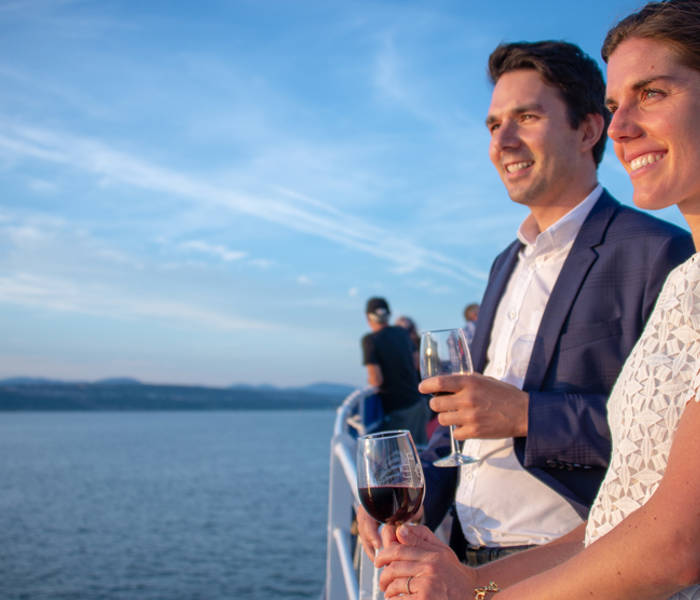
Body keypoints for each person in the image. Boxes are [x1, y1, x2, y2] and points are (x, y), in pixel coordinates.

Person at [374, 1, 700, 598]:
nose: (504, 139)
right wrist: (415, 513)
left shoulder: (661, 251)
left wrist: (525, 414)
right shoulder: (506, 262)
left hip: (590, 564)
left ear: (585, 129)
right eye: (494, 124)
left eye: (526, 116)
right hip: (480, 553)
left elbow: (660, 469)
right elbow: (460, 421)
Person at [361, 297, 428, 445]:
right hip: (418, 402)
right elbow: (417, 364)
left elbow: (376, 380)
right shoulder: (402, 332)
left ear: (368, 317)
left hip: (398, 409)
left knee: (401, 460)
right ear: (388, 315)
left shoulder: (370, 340)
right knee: (421, 452)